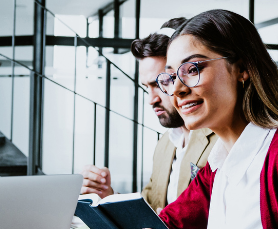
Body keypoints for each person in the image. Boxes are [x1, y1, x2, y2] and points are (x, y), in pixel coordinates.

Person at [141, 9, 278, 229]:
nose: (176, 88)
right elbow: (158, 228)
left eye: (193, 68)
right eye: (170, 76)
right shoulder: (217, 165)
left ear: (241, 68)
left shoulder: (274, 153)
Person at [80, 18, 218, 212]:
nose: (151, 99)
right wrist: (108, 196)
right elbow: (153, 209)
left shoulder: (223, 139)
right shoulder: (165, 144)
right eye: (147, 87)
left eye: (160, 84)